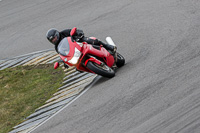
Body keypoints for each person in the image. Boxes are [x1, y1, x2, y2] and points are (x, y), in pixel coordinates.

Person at [46, 28, 117, 54]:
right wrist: (64, 62)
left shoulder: (64, 32)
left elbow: (77, 30)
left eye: (54, 38)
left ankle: (108, 46)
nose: (54, 40)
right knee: (78, 68)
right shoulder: (57, 47)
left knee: (93, 41)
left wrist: (79, 34)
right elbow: (62, 55)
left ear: (57, 34)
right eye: (52, 40)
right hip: (75, 52)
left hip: (79, 42)